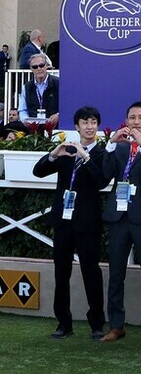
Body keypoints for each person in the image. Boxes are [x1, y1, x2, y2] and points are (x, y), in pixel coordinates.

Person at [32, 106, 109, 340]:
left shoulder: (101, 154)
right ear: (77, 126)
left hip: (87, 223)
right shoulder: (66, 151)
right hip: (63, 222)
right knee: (61, 272)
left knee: (91, 272)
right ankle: (63, 323)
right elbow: (38, 172)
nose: (89, 126)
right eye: (84, 122)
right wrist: (54, 153)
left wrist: (85, 157)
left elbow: (101, 181)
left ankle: (96, 323)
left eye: (93, 122)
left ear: (97, 126)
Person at [100, 102, 141, 344]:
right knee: (116, 273)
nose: (136, 122)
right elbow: (105, 174)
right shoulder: (118, 148)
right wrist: (110, 144)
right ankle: (116, 325)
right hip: (118, 218)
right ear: (126, 120)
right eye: (131, 117)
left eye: (140, 118)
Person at [18, 52, 59, 127]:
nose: (39, 68)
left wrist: (58, 115)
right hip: (34, 130)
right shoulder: (26, 87)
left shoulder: (58, 83)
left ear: (46, 66)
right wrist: (25, 120)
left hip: (55, 128)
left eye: (41, 65)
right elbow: (22, 110)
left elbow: (66, 106)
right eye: (35, 67)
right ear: (31, 69)